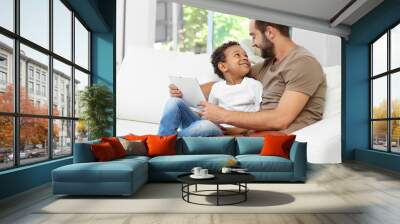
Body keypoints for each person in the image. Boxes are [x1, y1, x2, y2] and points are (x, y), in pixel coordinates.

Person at [170, 20, 327, 135]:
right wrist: (184, 92)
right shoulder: (267, 65)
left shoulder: (302, 62)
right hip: (244, 132)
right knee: (175, 104)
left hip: (269, 138)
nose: (253, 44)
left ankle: (164, 144)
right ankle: (163, 143)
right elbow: (229, 82)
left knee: (204, 129)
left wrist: (223, 115)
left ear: (270, 33)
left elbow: (281, 119)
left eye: (254, 36)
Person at [158, 41, 263, 137]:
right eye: (237, 55)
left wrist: (240, 129)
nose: (245, 58)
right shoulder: (217, 87)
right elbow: (209, 114)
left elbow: (261, 117)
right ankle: (162, 141)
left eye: (245, 55)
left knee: (205, 126)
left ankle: (165, 141)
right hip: (211, 125)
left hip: (222, 132)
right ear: (223, 67)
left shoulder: (254, 85)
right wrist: (183, 96)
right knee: (174, 102)